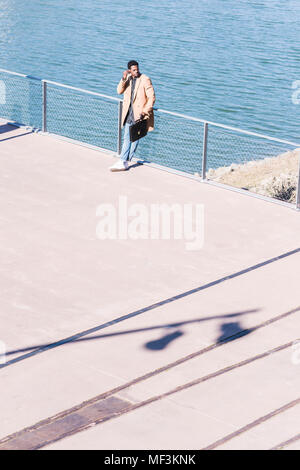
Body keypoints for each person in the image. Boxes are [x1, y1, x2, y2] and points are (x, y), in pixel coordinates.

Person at [110, 60, 156, 171]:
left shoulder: (145, 79)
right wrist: (124, 78)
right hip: (128, 113)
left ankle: (124, 161)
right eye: (134, 70)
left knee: (134, 137)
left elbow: (152, 97)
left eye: (137, 69)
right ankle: (125, 161)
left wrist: (144, 111)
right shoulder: (128, 78)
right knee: (128, 137)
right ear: (129, 70)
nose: (136, 72)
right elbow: (119, 91)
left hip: (139, 114)